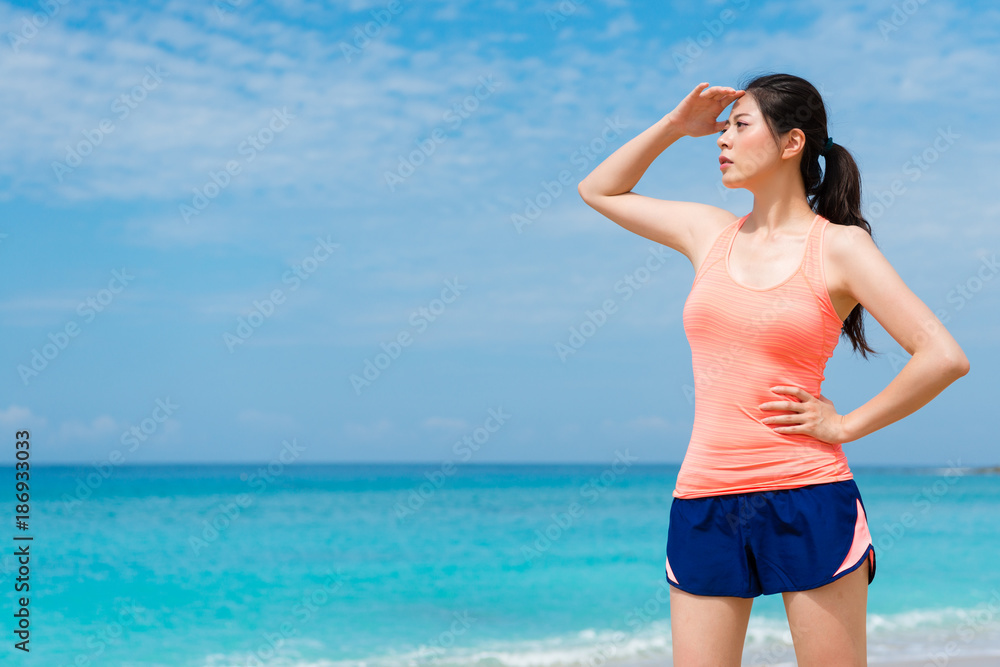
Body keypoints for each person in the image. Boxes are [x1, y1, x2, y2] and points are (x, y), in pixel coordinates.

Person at [577, 73, 970, 667]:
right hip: (704, 495)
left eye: (740, 126)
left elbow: (943, 356)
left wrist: (846, 426)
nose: (722, 140)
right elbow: (600, 190)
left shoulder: (838, 248)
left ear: (791, 143)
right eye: (723, 128)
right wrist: (672, 127)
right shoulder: (708, 232)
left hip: (807, 494)